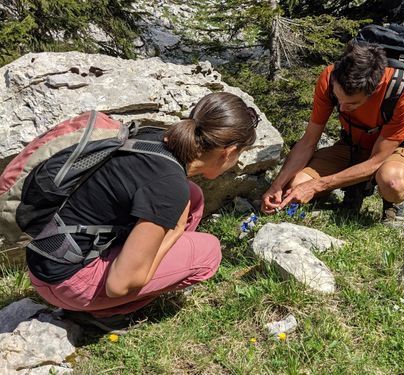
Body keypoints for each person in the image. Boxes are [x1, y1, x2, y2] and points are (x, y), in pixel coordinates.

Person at [27, 92, 258, 331]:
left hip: (49, 253)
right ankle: (100, 313)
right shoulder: (169, 186)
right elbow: (119, 284)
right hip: (65, 283)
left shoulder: (155, 137)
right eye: (239, 154)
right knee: (208, 253)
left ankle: (130, 267)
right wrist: (175, 233)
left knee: (194, 197)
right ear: (228, 152)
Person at [261, 42, 404, 221]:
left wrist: (318, 185)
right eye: (338, 99)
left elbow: (376, 161)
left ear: (375, 89)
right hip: (352, 145)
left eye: (352, 103)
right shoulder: (329, 78)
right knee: (295, 184)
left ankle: (392, 201)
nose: (343, 108)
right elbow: (308, 141)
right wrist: (276, 185)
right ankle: (354, 186)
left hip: (392, 152)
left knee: (393, 182)